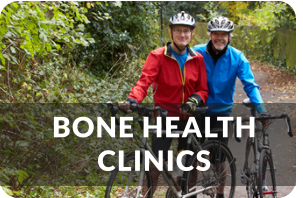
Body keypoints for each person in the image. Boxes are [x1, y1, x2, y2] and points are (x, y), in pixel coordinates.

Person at [118, 11, 208, 197]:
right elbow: (144, 82)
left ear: (192, 33)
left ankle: (188, 193)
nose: (182, 34)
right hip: (164, 117)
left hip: (189, 117)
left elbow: (203, 90)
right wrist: (132, 100)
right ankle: (147, 194)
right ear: (171, 32)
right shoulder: (158, 56)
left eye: (186, 31)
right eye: (178, 30)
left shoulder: (197, 58)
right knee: (155, 162)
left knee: (190, 162)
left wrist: (194, 100)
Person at [192, 16, 270, 198]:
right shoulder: (196, 53)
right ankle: (191, 192)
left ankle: (220, 194)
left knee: (219, 158)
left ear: (229, 36)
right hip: (197, 112)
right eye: (216, 33)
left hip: (221, 113)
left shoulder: (237, 57)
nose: (220, 37)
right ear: (210, 34)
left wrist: (262, 109)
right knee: (192, 157)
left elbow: (250, 85)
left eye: (224, 34)